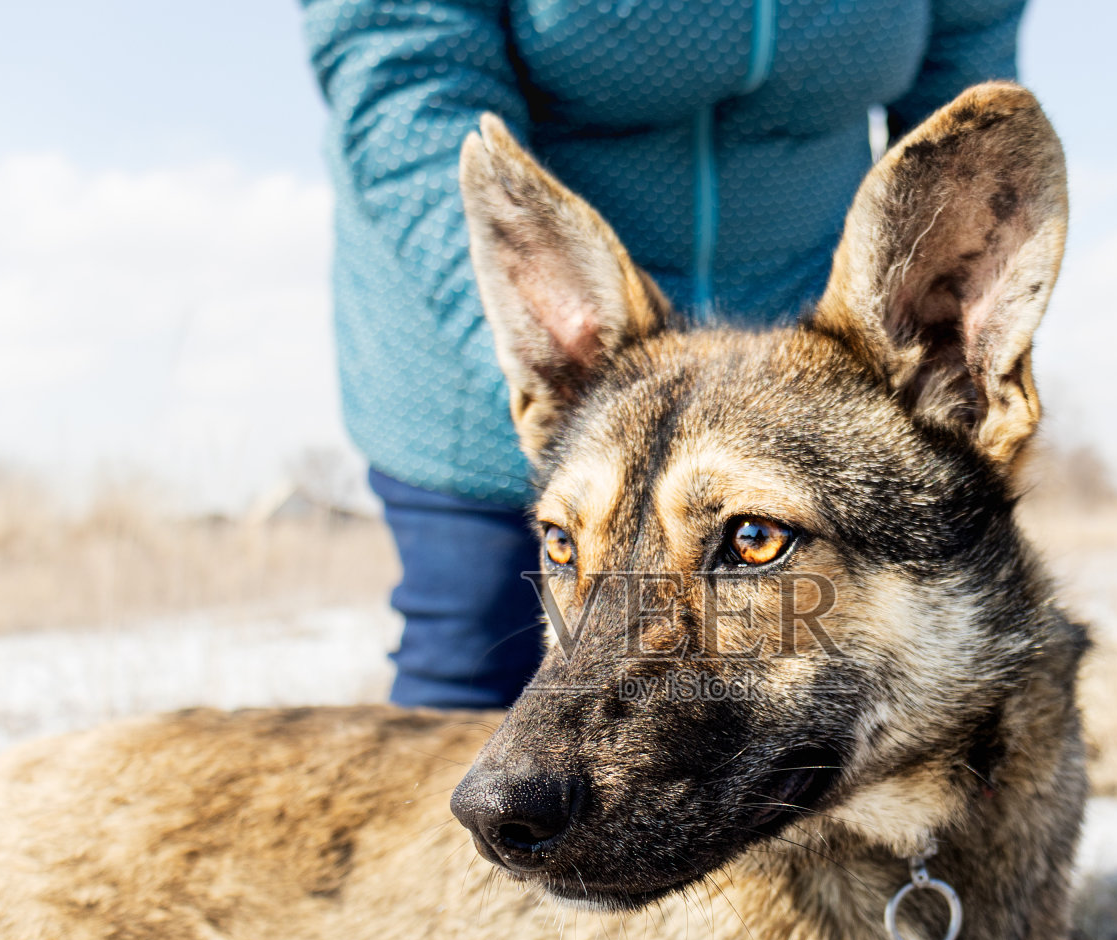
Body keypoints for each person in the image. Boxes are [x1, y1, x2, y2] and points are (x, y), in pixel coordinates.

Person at [300, 0, 1027, 713]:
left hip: (804, 337)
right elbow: (403, 67)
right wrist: (578, 369)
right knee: (468, 656)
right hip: (536, 314)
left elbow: (968, 80)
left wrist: (907, 374)